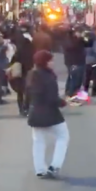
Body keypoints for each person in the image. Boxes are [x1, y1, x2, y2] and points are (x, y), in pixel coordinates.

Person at [27, 50, 70, 179]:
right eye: (50, 60)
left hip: (35, 112)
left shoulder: (31, 75)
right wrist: (63, 102)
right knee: (63, 136)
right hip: (50, 113)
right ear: (45, 62)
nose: (53, 62)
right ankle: (55, 165)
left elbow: (28, 94)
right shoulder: (49, 77)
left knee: (38, 141)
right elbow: (52, 98)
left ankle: (40, 169)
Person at [10, 24, 35, 117]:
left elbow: (15, 57)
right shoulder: (29, 43)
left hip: (19, 68)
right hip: (27, 68)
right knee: (27, 89)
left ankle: (22, 108)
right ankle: (26, 107)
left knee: (21, 90)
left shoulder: (16, 43)